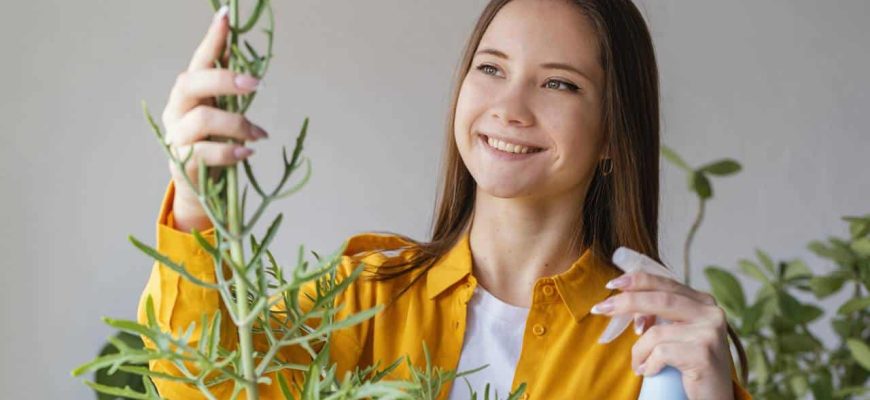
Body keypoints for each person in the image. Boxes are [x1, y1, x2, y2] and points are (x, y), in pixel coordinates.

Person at [140, 0, 753, 399]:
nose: (509, 109)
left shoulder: (655, 346)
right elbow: (205, 387)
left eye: (559, 83)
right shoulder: (362, 301)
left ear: (614, 135)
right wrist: (196, 204)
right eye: (491, 69)